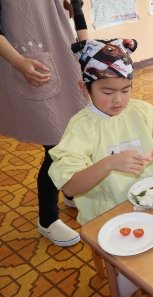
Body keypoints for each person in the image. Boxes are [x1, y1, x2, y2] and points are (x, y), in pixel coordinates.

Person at [48, 38, 153, 226]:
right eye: (107, 92)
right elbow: (69, 187)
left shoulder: (142, 111)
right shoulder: (81, 127)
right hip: (108, 215)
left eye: (126, 90)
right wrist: (109, 164)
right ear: (85, 88)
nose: (118, 100)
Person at [0, 0, 88, 247]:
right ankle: (48, 219)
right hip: (30, 64)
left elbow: (74, 6)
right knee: (56, 146)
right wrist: (19, 62)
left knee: (73, 132)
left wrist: (85, 49)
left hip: (62, 55)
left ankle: (69, 191)